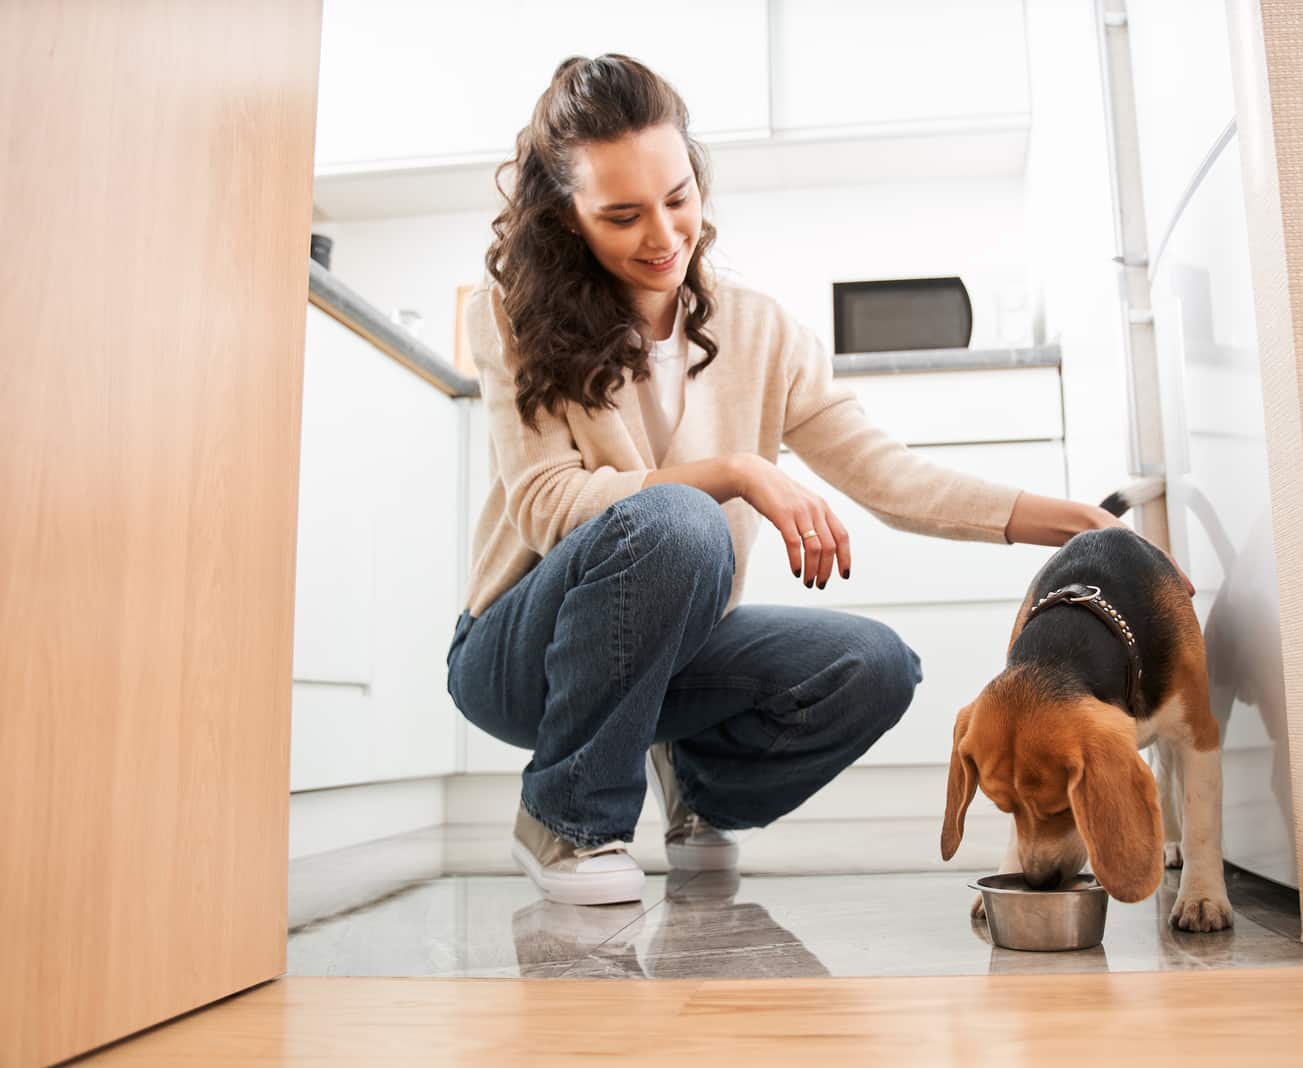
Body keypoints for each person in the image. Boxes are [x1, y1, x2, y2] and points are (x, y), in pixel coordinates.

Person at [444, 53, 1193, 908]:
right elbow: (546, 506)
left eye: (680, 197)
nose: (664, 237)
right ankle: (567, 818)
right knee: (681, 518)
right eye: (622, 216)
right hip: (516, 653)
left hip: (671, 644)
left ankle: (693, 784)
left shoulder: (761, 332)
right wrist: (735, 472)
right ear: (567, 218)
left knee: (872, 666)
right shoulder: (511, 314)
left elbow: (888, 476)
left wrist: (1059, 522)